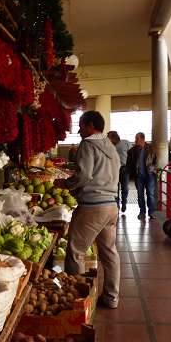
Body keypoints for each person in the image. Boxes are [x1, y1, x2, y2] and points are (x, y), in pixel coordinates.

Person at [56, 111, 121, 309]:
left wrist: (65, 184)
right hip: (111, 206)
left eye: (82, 126)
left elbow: (83, 175)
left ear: (91, 126)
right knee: (109, 253)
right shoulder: (110, 146)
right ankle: (111, 297)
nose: (79, 130)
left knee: (75, 251)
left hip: (93, 206)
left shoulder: (88, 144)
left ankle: (75, 299)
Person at [126, 132, 158, 220]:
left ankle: (151, 212)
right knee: (140, 194)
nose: (135, 140)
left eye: (137, 138)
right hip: (138, 176)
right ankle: (142, 212)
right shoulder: (132, 151)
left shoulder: (151, 149)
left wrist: (153, 167)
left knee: (150, 194)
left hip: (149, 175)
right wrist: (130, 174)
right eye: (135, 138)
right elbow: (128, 164)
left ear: (143, 139)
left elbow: (156, 162)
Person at [107, 131, 132, 212]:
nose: (108, 140)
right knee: (115, 187)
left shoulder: (125, 143)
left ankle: (124, 202)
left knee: (125, 187)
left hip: (125, 168)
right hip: (114, 169)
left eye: (109, 138)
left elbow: (132, 153)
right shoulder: (109, 146)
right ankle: (116, 204)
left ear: (114, 137)